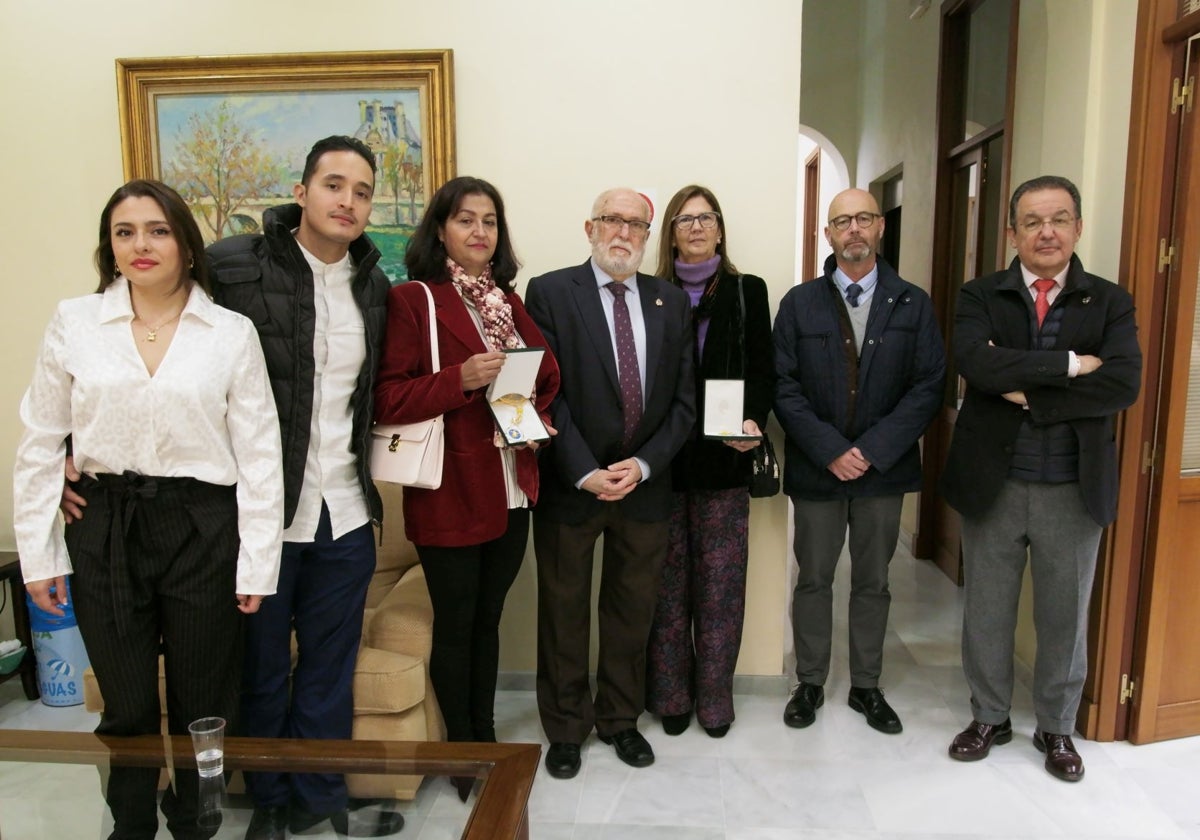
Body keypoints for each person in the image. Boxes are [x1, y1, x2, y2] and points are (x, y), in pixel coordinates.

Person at [14, 178, 284, 839]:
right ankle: (129, 825)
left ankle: (197, 821)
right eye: (125, 232)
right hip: (104, 523)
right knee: (127, 705)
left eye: (158, 230)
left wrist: (256, 567)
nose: (141, 244)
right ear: (109, 245)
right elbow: (41, 440)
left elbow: (259, 457)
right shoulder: (75, 322)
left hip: (203, 528)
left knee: (204, 704)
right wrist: (38, 556)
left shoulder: (230, 332)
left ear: (186, 245)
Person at [206, 136, 399, 838]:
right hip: (261, 519)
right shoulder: (231, 268)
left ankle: (319, 799)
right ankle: (269, 800)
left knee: (327, 670)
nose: (349, 200)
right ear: (302, 191)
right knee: (260, 671)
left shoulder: (374, 286)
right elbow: (156, 342)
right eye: (334, 184)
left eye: (363, 190)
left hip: (344, 514)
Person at [942, 175, 1142, 782]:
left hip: (1073, 489)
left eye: (1059, 219)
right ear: (1012, 233)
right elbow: (975, 362)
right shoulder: (981, 294)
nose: (1047, 231)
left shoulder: (1109, 301)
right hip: (992, 484)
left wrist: (1028, 395)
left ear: (1078, 227)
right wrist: (1069, 366)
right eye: (1032, 221)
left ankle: (1056, 727)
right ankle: (990, 717)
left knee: (1064, 616)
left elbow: (1123, 383)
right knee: (987, 611)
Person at [373, 176, 560, 799]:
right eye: (466, 220)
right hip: (451, 488)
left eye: (490, 221)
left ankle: (484, 735)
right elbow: (386, 398)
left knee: (489, 620)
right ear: (441, 230)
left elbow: (544, 375)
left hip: (513, 483)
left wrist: (533, 410)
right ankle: (462, 752)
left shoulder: (507, 301)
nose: (480, 232)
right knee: (456, 625)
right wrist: (460, 378)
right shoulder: (413, 300)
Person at [524, 187, 695, 780]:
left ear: (649, 236)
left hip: (645, 487)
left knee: (632, 611)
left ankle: (620, 719)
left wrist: (643, 465)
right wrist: (584, 469)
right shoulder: (549, 292)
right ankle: (566, 728)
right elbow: (546, 393)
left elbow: (683, 403)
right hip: (574, 484)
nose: (624, 233)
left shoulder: (670, 301)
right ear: (590, 227)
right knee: (564, 611)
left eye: (637, 224)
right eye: (612, 221)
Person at [773, 188, 944, 736]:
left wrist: (869, 451)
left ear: (879, 228)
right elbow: (784, 385)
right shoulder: (800, 303)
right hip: (817, 468)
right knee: (814, 579)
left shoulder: (913, 303)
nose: (853, 229)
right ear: (828, 234)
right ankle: (811, 681)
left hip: (883, 470)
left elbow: (927, 386)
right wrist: (830, 450)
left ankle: (867, 686)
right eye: (841, 221)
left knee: (873, 581)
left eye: (863, 219)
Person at [644, 185, 774, 739]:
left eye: (706, 218)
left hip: (725, 459)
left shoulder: (747, 290)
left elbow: (764, 368)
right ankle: (670, 691)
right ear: (671, 232)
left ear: (720, 229)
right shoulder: (649, 293)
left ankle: (715, 695)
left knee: (720, 588)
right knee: (667, 586)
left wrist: (755, 423)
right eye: (684, 219)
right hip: (662, 463)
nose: (696, 227)